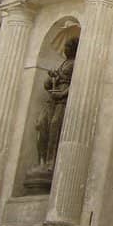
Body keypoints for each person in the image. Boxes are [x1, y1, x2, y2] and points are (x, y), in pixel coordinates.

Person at [34, 38, 78, 171]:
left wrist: (62, 93)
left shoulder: (77, 63)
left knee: (55, 126)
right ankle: (41, 160)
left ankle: (51, 161)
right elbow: (48, 85)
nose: (66, 49)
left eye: (69, 46)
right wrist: (52, 77)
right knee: (42, 124)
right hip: (52, 99)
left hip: (62, 100)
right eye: (65, 46)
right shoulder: (63, 64)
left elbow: (75, 82)